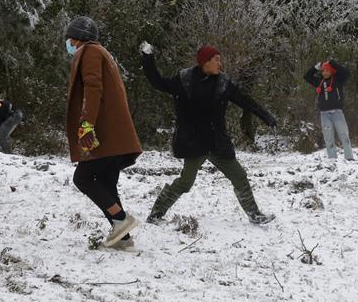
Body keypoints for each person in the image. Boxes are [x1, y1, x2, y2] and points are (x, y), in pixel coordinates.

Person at [141, 42, 277, 225]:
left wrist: (267, 117)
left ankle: (254, 214)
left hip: (217, 142)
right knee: (185, 183)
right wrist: (148, 58)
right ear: (205, 62)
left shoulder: (223, 83)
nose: (220, 64)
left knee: (239, 176)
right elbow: (157, 81)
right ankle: (156, 213)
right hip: (194, 143)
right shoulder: (184, 80)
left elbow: (245, 101)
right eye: (217, 60)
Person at [66, 16, 143, 250]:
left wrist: (86, 122)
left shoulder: (89, 52)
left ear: (76, 38)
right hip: (117, 135)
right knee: (107, 183)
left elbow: (93, 86)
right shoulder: (104, 54)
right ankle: (124, 240)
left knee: (83, 178)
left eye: (69, 39)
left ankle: (121, 220)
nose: (68, 43)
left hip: (106, 134)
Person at [303, 58, 354, 162]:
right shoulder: (319, 82)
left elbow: (346, 72)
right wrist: (315, 67)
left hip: (337, 113)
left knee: (344, 135)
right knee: (328, 138)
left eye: (327, 70)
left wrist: (333, 63)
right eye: (323, 71)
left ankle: (349, 158)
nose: (324, 73)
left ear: (332, 71)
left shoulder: (338, 80)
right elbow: (306, 77)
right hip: (324, 114)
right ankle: (332, 159)